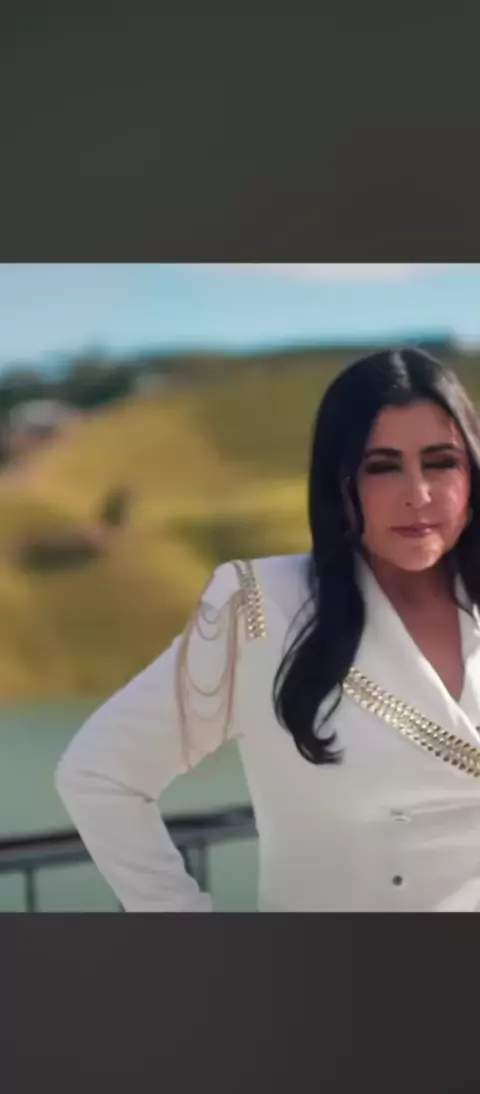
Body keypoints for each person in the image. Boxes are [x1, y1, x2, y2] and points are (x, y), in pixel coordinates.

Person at [55, 346, 480, 912]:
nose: (418, 494)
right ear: (339, 484)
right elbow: (98, 774)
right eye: (382, 466)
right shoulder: (262, 608)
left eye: (441, 462)